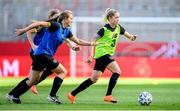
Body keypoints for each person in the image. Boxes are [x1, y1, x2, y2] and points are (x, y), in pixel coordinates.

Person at [6, 10, 97, 104]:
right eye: (70, 19)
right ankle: (52, 96)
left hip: (40, 55)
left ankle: (14, 96)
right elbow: (38, 23)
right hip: (42, 54)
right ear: (65, 19)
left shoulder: (66, 32)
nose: (72, 21)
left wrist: (92, 43)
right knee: (62, 72)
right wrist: (24, 30)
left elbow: (78, 41)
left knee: (33, 80)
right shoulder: (55, 25)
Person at [67, 8, 137, 104]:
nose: (118, 19)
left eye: (118, 17)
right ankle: (108, 95)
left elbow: (129, 36)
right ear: (110, 18)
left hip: (103, 55)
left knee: (93, 79)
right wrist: (91, 55)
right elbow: (93, 40)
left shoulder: (119, 28)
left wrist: (133, 37)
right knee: (117, 71)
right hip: (102, 54)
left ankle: (72, 94)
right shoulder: (104, 30)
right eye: (116, 17)